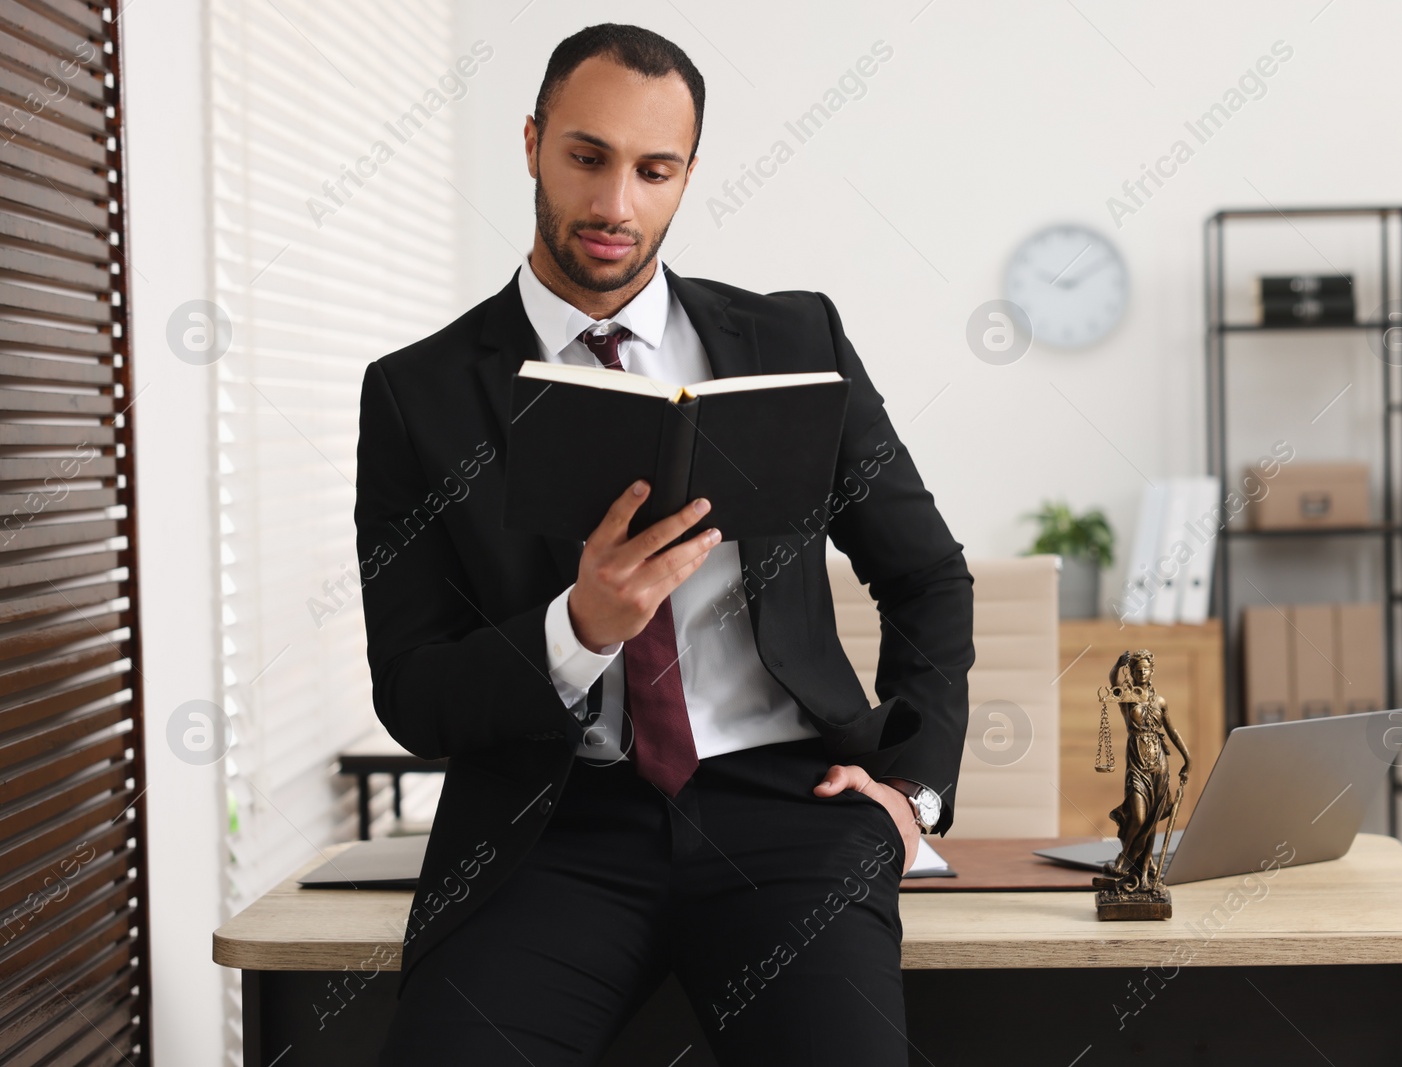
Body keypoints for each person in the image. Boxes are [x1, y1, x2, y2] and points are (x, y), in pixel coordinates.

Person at [355, 23, 974, 1066]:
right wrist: (576, 629)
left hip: (790, 807)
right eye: (586, 158)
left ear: (688, 174)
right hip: (548, 828)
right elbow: (412, 692)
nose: (614, 206)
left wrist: (909, 793)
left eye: (654, 170)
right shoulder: (417, 395)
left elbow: (924, 572)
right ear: (532, 143)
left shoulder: (795, 341)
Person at [1101, 650, 1190, 892]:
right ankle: (1124, 859)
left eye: (1145, 669)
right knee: (1139, 817)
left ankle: (1145, 875)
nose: (1141, 673)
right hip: (1137, 765)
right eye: (1137, 669)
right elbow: (1113, 682)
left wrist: (1187, 758)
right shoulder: (1128, 698)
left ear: (1152, 671)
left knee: (1151, 821)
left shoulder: (1160, 702)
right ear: (1132, 671)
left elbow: (1172, 732)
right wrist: (1117, 665)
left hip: (1159, 765)